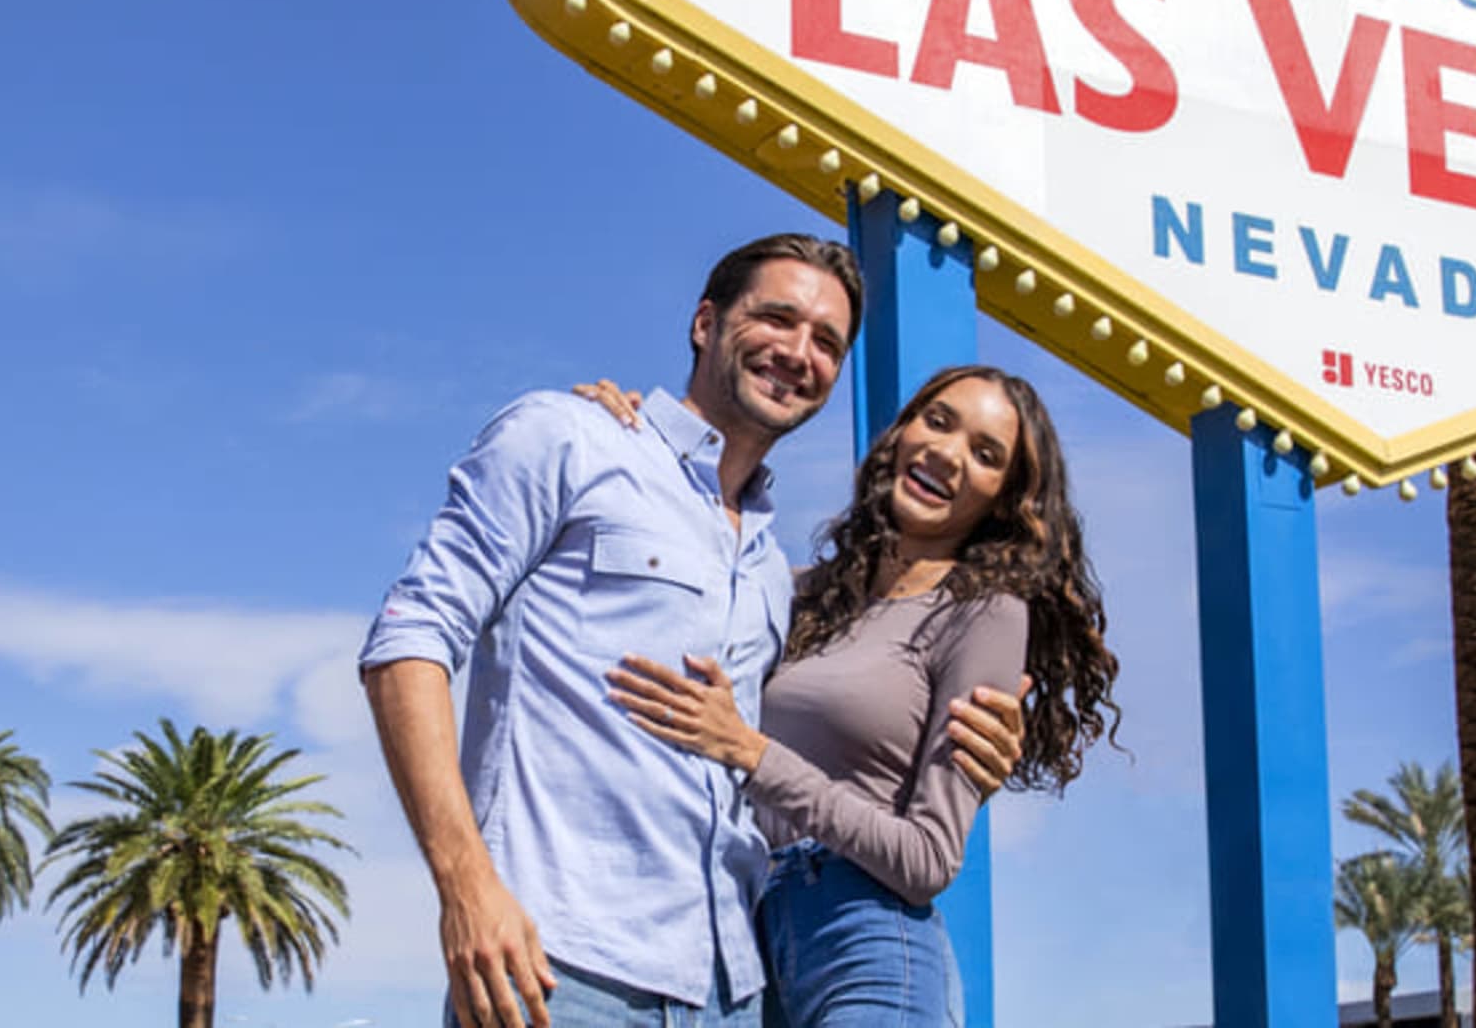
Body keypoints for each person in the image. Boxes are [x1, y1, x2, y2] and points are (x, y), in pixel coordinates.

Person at [358, 234, 1033, 1028]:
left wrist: (986, 744)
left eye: (826, 341)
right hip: (558, 970)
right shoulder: (571, 439)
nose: (797, 352)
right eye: (776, 318)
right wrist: (465, 885)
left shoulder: (773, 572)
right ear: (705, 322)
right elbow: (408, 640)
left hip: (729, 993)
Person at [594, 364, 1120, 1027]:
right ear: (900, 435)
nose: (947, 454)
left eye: (985, 455)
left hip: (867, 944)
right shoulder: (797, 593)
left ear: (1002, 500)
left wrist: (751, 752)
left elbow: (928, 859)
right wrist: (629, 437)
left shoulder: (982, 613)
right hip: (743, 943)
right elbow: (675, 576)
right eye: (937, 421)